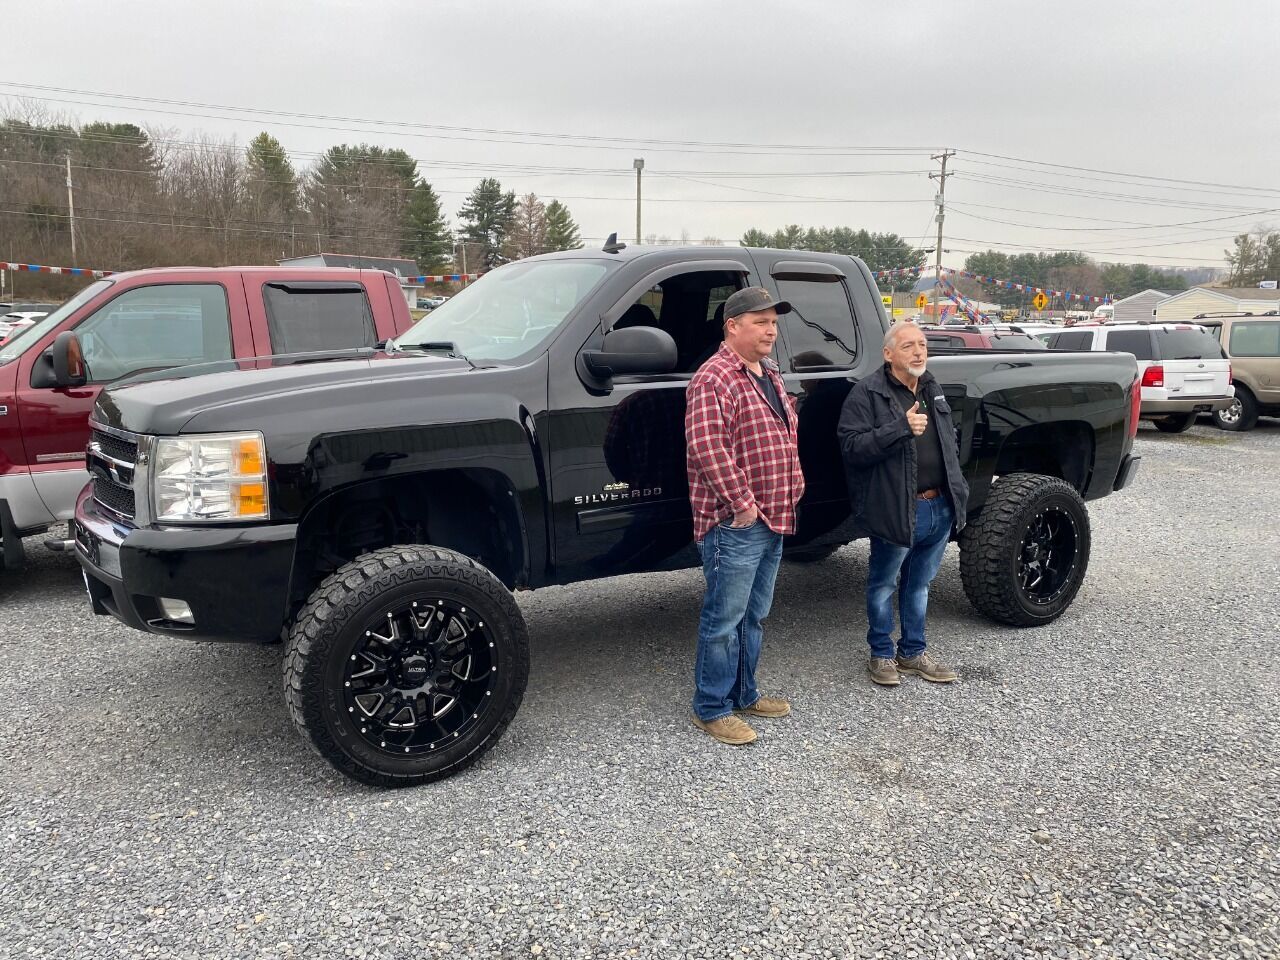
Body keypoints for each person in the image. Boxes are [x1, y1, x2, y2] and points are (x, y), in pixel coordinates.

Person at [685, 286, 805, 745]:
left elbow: (784, 436)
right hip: (736, 524)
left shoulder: (769, 372)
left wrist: (793, 486)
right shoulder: (713, 377)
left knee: (753, 616)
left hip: (773, 517)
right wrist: (742, 503)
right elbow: (707, 447)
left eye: (773, 322)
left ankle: (744, 693)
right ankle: (711, 707)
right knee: (724, 620)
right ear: (732, 326)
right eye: (760, 322)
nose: (771, 331)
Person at [837, 322, 969, 687]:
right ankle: (881, 654)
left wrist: (955, 490)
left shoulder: (931, 387)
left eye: (922, 344)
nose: (918, 351)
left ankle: (912, 652)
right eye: (908, 345)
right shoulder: (867, 393)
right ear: (888, 354)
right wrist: (899, 428)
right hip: (897, 508)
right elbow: (851, 448)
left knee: (920, 584)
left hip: (939, 506)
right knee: (883, 584)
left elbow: (948, 439)